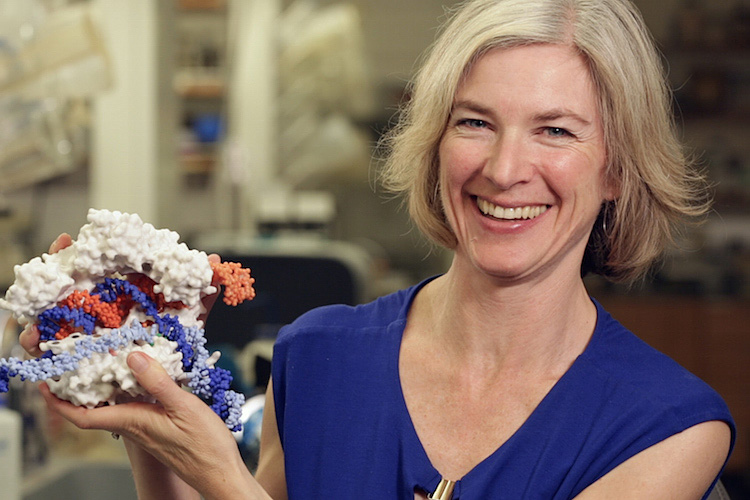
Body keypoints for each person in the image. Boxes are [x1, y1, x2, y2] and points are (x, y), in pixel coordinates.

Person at [21, 0, 734, 498]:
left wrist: (221, 478)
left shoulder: (667, 428)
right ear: (434, 143)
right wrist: (151, 395)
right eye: (476, 122)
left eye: (556, 131)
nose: (505, 168)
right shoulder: (317, 357)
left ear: (617, 168)